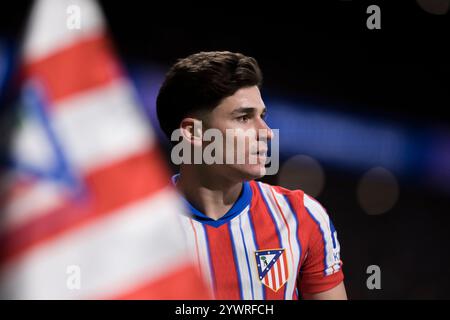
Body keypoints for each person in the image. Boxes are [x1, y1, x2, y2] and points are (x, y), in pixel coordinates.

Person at [156, 51, 347, 300]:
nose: (266, 132)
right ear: (193, 132)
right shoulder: (135, 226)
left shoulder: (302, 216)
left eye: (262, 116)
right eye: (244, 117)